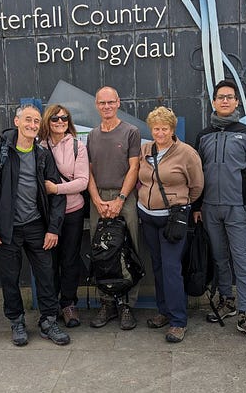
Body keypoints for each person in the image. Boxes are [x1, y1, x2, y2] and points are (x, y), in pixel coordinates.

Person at [0, 104, 70, 346]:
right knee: (9, 278)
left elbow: (57, 195)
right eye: (28, 120)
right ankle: (16, 321)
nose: (32, 125)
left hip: (36, 226)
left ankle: (49, 321)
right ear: (17, 121)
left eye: (36, 121)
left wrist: (53, 228)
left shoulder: (42, 155)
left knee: (46, 275)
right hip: (6, 228)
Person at [192, 80, 246, 343]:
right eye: (220, 97)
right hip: (211, 209)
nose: (225, 101)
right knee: (220, 258)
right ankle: (227, 301)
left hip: (239, 209)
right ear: (213, 102)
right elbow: (196, 175)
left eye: (230, 97)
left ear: (237, 102)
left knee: (243, 262)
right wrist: (197, 206)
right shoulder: (203, 136)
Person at [137, 106, 204, 343]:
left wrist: (183, 205)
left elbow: (197, 186)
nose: (160, 133)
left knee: (171, 267)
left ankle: (178, 320)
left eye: (164, 128)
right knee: (157, 265)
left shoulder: (186, 153)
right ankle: (163, 311)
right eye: (156, 128)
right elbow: (141, 178)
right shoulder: (146, 149)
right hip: (147, 216)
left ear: (172, 129)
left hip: (172, 219)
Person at [86, 86, 142, 330]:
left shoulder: (131, 132)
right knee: (101, 252)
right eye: (102, 103)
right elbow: (86, 170)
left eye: (111, 102)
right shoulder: (92, 135)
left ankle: (127, 304)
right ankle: (107, 303)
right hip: (97, 198)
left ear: (118, 103)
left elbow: (134, 168)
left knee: (129, 250)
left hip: (125, 197)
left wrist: (120, 199)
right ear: (96, 105)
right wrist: (97, 200)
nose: (106, 106)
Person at [38, 104, 89, 328]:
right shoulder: (38, 147)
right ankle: (50, 305)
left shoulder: (78, 146)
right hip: (46, 214)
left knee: (69, 259)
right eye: (55, 119)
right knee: (49, 261)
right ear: (47, 122)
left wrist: (55, 189)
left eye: (64, 118)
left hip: (72, 211)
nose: (60, 122)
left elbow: (82, 182)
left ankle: (68, 303)